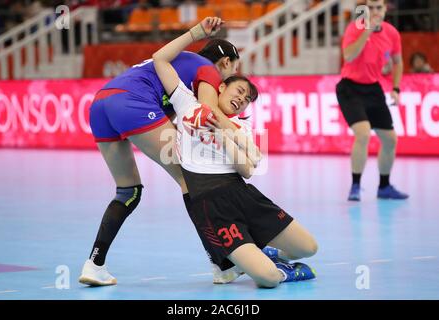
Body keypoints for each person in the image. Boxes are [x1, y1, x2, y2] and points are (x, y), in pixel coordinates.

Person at [78, 18, 267, 286]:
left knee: (128, 191)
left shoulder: (185, 70)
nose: (228, 81)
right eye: (233, 71)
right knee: (190, 180)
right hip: (134, 102)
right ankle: (221, 264)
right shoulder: (208, 71)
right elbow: (209, 112)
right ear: (225, 64)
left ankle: (94, 264)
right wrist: (244, 142)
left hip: (101, 103)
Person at [152, 16, 318, 288]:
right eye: (239, 91)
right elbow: (160, 59)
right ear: (220, 85)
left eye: (246, 100)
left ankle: (263, 249)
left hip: (243, 195)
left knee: (308, 247)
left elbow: (247, 170)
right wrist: (196, 33)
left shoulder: (241, 125)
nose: (241, 100)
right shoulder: (187, 103)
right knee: (268, 279)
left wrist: (224, 133)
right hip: (212, 206)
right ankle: (277, 266)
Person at [336, 0, 409, 201]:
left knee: (390, 139)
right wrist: (367, 31)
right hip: (349, 88)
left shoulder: (392, 33)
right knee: (363, 133)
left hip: (373, 89)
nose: (375, 11)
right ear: (365, 11)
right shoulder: (355, 28)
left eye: (379, 8)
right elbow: (349, 55)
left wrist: (396, 88)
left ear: (385, 10)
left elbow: (398, 62)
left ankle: (384, 187)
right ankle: (355, 186)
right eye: (371, 8)